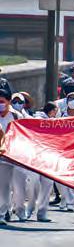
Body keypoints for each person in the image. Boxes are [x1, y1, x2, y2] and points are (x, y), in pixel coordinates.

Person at [0, 89, 24, 225]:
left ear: (8, 102)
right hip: (2, 158)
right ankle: (2, 214)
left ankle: (20, 211)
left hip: (16, 157)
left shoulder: (17, 116)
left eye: (2, 102)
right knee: (3, 187)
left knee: (19, 187)